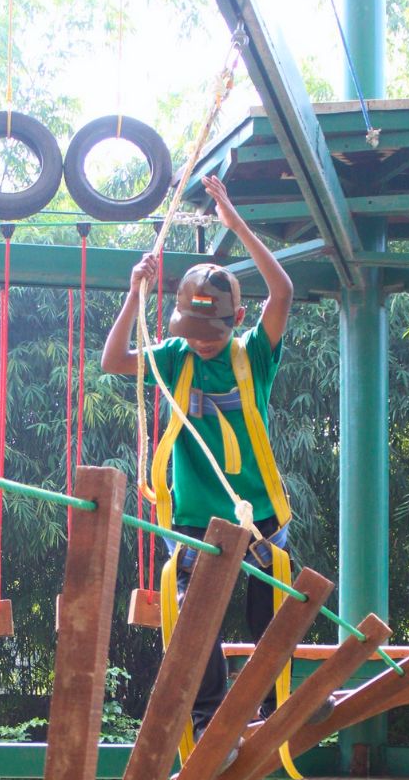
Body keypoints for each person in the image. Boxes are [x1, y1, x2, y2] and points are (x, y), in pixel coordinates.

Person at [101, 174, 295, 738]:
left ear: (235, 320)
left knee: (272, 602)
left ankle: (266, 704)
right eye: (192, 328)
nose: (201, 340)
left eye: (211, 329)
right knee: (196, 614)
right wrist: (133, 293)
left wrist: (235, 225)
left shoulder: (254, 355)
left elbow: (280, 292)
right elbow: (114, 360)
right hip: (192, 515)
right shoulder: (171, 356)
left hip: (257, 512)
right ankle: (211, 715)